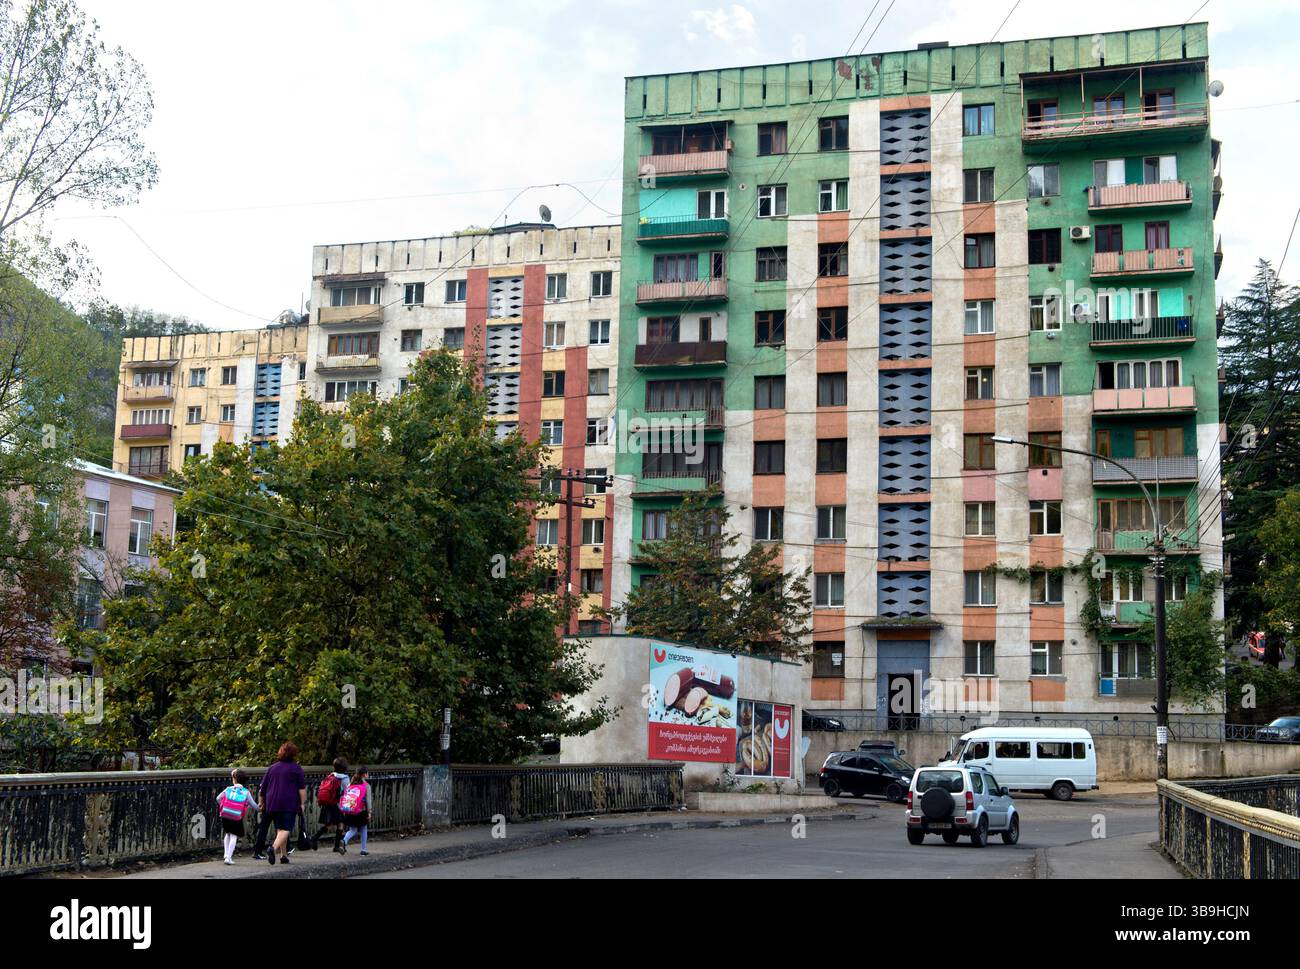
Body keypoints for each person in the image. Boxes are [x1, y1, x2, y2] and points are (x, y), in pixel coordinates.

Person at [258, 741, 307, 865]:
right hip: (288, 802)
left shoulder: (272, 768)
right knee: (286, 829)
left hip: (272, 801)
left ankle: (283, 856)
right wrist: (302, 803)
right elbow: (301, 789)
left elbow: (263, 788)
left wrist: (262, 802)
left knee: (280, 829)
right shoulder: (296, 768)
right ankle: (273, 848)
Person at [216, 769, 258, 865]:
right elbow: (254, 805)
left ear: (234, 779)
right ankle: (229, 858)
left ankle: (226, 854)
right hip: (236, 816)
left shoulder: (228, 789)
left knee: (228, 833)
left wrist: (224, 806)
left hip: (225, 814)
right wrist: (261, 808)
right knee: (234, 835)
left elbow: (218, 798)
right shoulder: (246, 792)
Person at [313, 757, 351, 852]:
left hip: (328, 803)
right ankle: (336, 846)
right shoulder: (345, 779)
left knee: (329, 824)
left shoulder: (330, 776)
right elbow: (348, 792)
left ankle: (315, 838)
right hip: (337, 804)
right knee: (340, 824)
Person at [338, 766, 371, 856]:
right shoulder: (366, 785)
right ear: (364, 774)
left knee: (353, 829)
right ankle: (363, 850)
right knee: (364, 828)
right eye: (367, 773)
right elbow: (368, 801)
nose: (368, 774)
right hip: (361, 811)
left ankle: (344, 841)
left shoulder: (350, 784)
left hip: (350, 810)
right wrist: (369, 812)